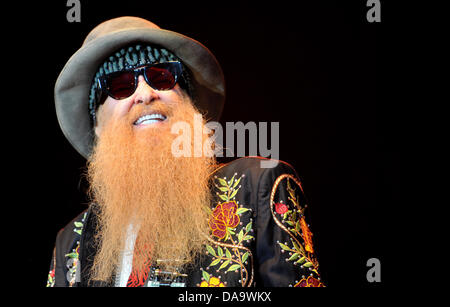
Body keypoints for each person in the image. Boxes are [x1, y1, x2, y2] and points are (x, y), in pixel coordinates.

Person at [47, 16, 325, 287]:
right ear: (98, 125)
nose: (145, 93)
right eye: (121, 85)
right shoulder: (71, 242)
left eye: (162, 76)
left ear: (189, 103)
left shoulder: (259, 186)